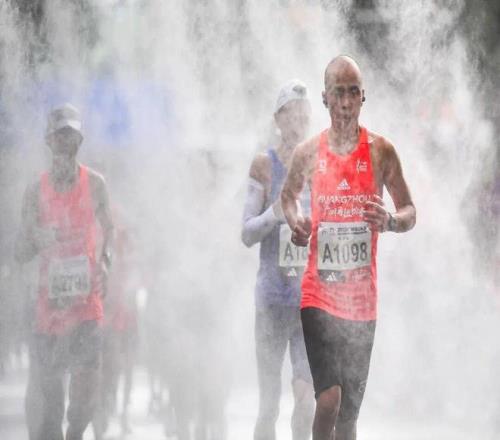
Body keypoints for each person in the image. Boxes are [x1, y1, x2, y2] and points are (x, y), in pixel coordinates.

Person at [280, 56, 416, 440]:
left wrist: (389, 221)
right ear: (324, 98)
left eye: (352, 93)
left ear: (363, 97)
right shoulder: (308, 152)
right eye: (338, 93)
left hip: (361, 302)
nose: (345, 103)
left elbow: (409, 210)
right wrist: (296, 222)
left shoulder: (381, 151)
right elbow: (288, 197)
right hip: (319, 295)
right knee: (329, 401)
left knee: (349, 419)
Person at [15, 103, 113, 440]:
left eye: (71, 136)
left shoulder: (96, 184)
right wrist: (37, 238)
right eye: (59, 136)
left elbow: (109, 231)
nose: (65, 142)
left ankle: (76, 430)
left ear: (80, 141)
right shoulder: (35, 191)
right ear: (49, 141)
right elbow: (19, 251)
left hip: (86, 304)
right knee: (51, 407)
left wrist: (105, 262)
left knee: (85, 399)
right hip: (50, 310)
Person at [242, 79, 315, 440]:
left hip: (308, 303)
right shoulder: (264, 165)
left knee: (307, 401)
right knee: (269, 404)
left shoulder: (318, 166)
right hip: (271, 300)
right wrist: (276, 212)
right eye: (290, 114)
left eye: (303, 114)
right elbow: (246, 233)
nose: (297, 121)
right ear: (278, 119)